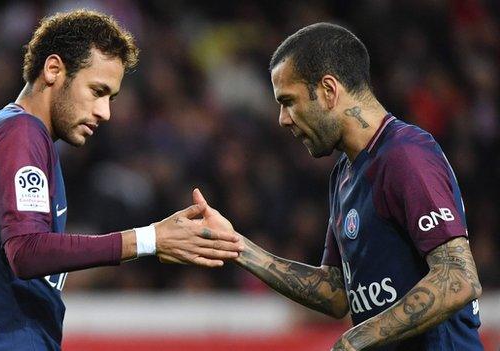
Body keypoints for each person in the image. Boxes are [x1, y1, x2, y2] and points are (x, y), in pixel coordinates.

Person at [0, 10, 242, 351]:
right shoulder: (22, 134)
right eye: (97, 91)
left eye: (111, 98)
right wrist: (150, 239)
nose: (104, 112)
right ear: (53, 70)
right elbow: (27, 251)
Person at [194, 23, 483, 350]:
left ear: (329, 90)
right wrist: (238, 247)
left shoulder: (405, 155)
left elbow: (458, 278)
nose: (283, 118)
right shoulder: (345, 173)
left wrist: (355, 339)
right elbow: (336, 293)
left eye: (289, 101)